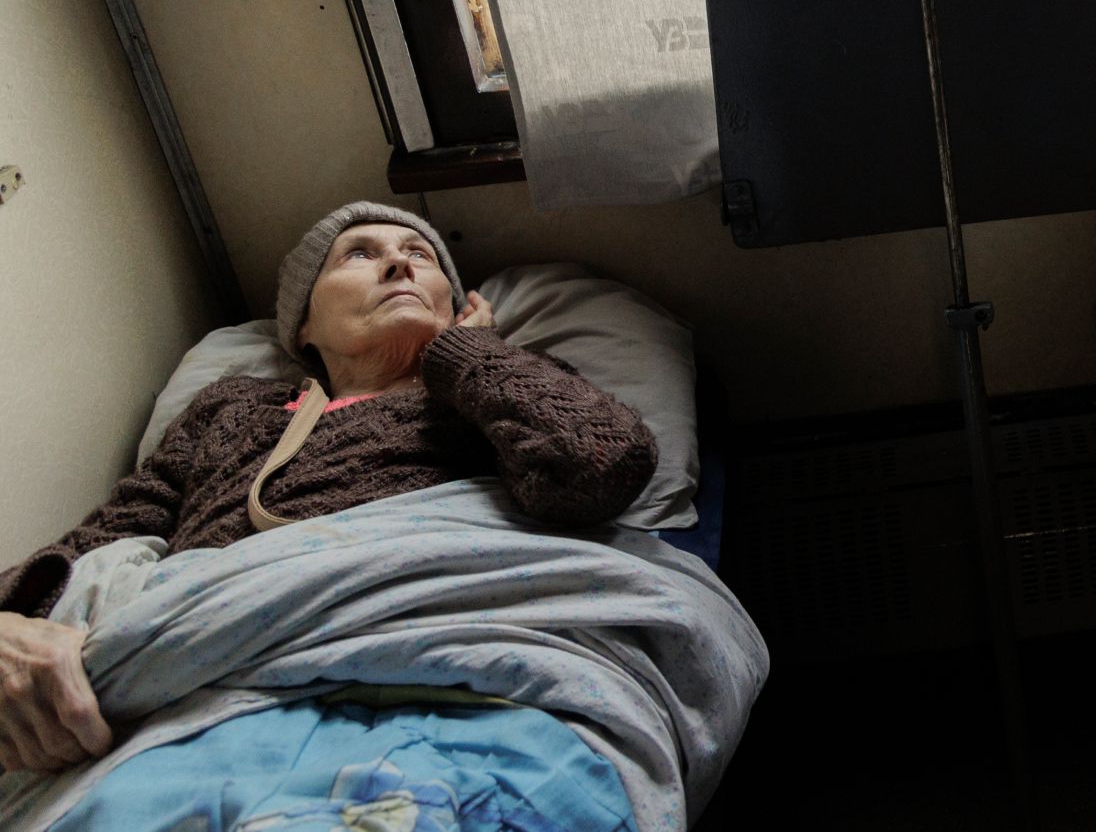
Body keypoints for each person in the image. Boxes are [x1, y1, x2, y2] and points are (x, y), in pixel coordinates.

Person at [0, 202, 657, 774]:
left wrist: (470, 355)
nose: (398, 264)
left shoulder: (494, 389)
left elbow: (601, 465)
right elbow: (108, 535)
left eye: (419, 256)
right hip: (199, 682)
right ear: (303, 326)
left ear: (455, 306)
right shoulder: (231, 409)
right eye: (359, 255)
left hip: (434, 681)